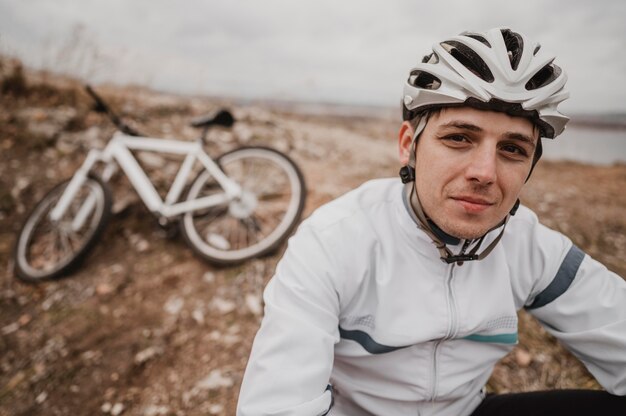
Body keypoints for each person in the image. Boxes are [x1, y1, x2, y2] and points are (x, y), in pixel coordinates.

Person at [237, 27, 626, 415]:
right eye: (459, 138)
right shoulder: (334, 240)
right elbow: (277, 406)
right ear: (409, 146)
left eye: (512, 149)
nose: (485, 172)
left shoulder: (531, 247)